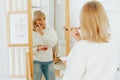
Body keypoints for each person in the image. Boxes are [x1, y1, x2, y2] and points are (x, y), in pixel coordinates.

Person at [63, 1, 120, 80]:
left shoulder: (80, 48)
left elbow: (71, 77)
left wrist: (71, 61)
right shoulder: (115, 41)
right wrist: (80, 41)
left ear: (84, 22)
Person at [32, 10, 58, 80]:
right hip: (36, 61)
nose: (42, 21)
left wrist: (42, 33)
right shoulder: (31, 32)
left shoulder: (49, 30)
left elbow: (53, 43)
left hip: (49, 61)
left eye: (44, 19)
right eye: (39, 19)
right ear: (35, 21)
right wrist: (37, 49)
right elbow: (28, 49)